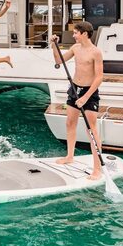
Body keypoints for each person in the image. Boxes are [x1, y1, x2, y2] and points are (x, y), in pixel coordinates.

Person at [50, 21, 103, 180]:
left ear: (84, 34)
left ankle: (97, 169)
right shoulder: (75, 48)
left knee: (91, 130)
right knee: (70, 123)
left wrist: (86, 97)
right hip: (74, 89)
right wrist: (54, 45)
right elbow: (59, 61)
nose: (73, 35)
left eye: (75, 33)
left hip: (89, 92)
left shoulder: (96, 52)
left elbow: (100, 77)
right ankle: (70, 156)